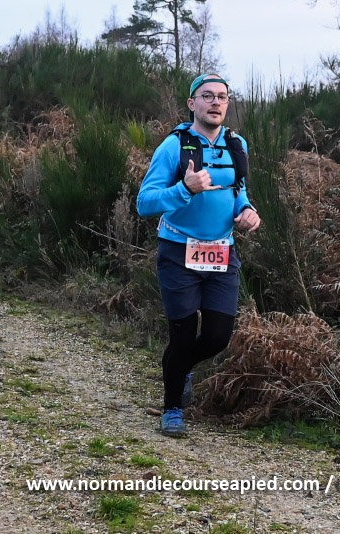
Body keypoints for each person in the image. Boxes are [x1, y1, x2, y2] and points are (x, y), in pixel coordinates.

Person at [136, 74, 261, 438]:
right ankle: (172, 409)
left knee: (218, 336)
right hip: (178, 250)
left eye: (222, 96)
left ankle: (180, 367)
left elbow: (238, 189)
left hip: (222, 251)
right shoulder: (173, 147)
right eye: (207, 96)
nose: (215, 102)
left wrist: (247, 210)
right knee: (183, 334)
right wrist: (184, 189)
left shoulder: (237, 144)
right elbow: (145, 202)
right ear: (192, 104)